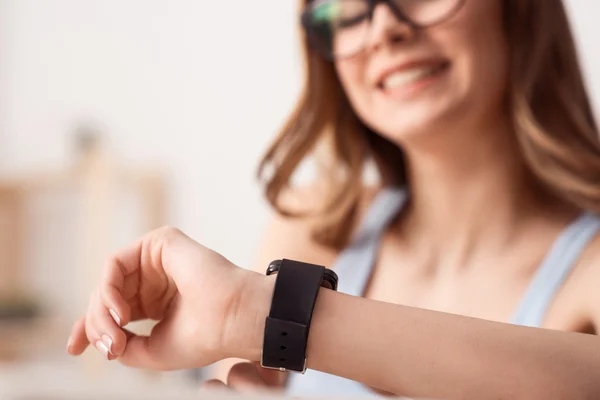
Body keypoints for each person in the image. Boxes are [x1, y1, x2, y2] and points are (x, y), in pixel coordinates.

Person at [67, 0, 600, 398]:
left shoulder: (589, 266)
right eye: (346, 9)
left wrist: (253, 313)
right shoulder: (313, 228)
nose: (384, 27)